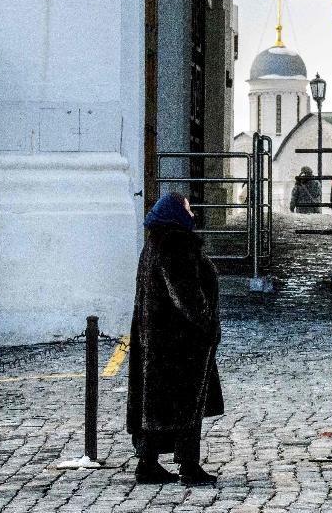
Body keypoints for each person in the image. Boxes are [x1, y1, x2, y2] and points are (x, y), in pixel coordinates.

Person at [127, 193, 223, 486]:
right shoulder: (177, 243)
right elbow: (185, 294)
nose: (192, 214)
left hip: (154, 338)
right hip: (180, 342)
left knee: (154, 404)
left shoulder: (154, 242)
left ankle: (148, 463)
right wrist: (207, 324)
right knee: (186, 404)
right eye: (188, 209)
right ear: (176, 213)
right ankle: (189, 466)